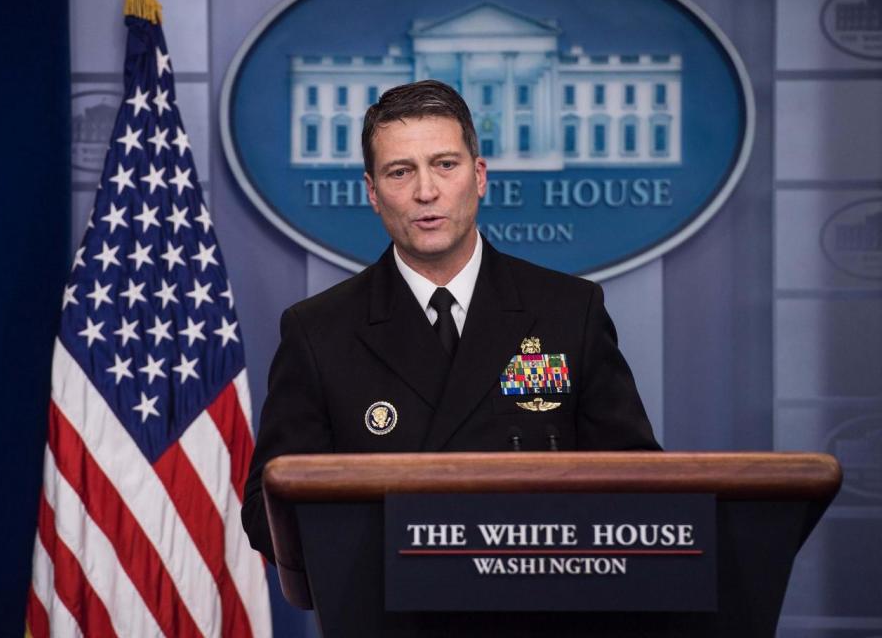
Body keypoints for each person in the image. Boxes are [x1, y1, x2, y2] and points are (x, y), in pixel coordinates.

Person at [242, 80, 660, 563]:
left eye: (445, 165)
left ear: (479, 176)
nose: (426, 191)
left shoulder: (569, 310)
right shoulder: (318, 331)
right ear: (373, 193)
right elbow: (266, 514)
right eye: (401, 172)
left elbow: (639, 485)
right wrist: (400, 541)